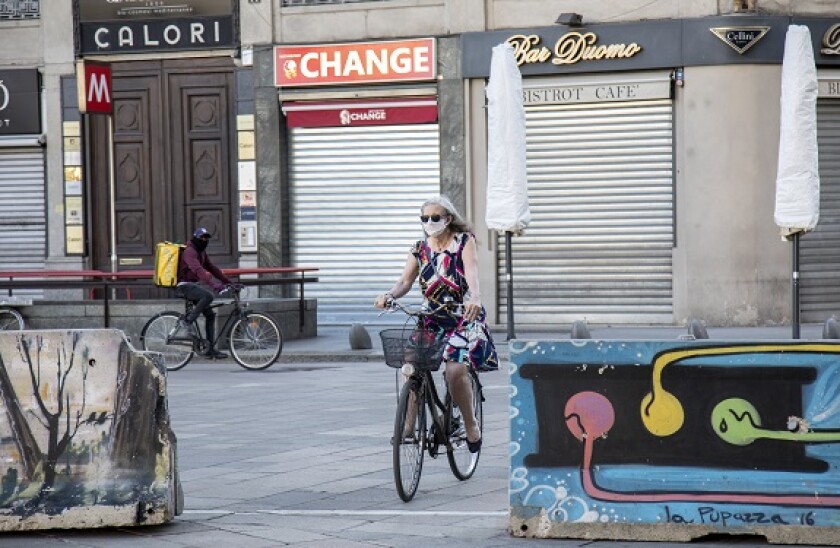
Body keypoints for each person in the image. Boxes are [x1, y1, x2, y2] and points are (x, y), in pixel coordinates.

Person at [374, 196, 498, 453]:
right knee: (410, 363)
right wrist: (389, 295)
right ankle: (407, 426)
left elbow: (472, 274)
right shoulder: (420, 249)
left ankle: (470, 424)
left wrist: (474, 298)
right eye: (424, 218)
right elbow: (405, 282)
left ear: (448, 219)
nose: (429, 223)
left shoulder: (464, 242)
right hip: (431, 317)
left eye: (435, 217)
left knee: (454, 371)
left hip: (463, 315)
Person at [175, 227, 233, 359]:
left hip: (193, 285)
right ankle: (187, 322)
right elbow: (198, 270)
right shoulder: (190, 252)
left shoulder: (201, 252)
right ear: (195, 238)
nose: (204, 240)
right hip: (184, 286)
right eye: (202, 237)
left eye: (206, 238)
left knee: (210, 315)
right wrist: (213, 284)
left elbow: (212, 268)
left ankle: (210, 350)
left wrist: (228, 282)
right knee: (208, 296)